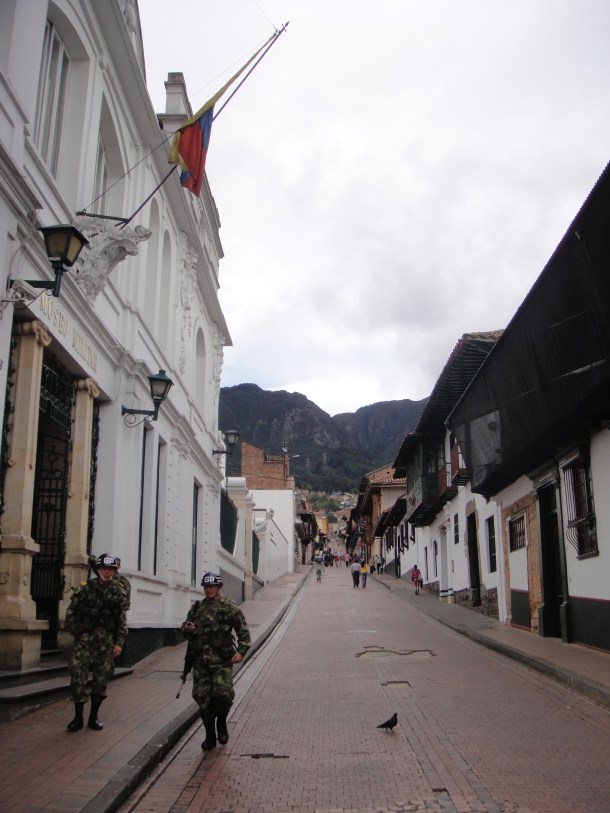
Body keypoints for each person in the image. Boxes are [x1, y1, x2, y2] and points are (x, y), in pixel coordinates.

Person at [181, 571, 251, 751]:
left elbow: (243, 631)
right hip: (200, 662)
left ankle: (221, 721)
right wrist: (187, 628)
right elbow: (185, 627)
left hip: (221, 661)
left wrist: (242, 651)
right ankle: (210, 734)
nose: (209, 589)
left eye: (212, 586)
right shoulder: (197, 608)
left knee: (223, 694)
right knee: (202, 698)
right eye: (206, 587)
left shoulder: (230, 608)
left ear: (219, 587)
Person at [64, 554, 129, 732]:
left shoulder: (119, 592)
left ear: (115, 571)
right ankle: (78, 717)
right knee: (78, 676)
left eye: (110, 569)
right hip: (85, 641)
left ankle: (94, 716)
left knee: (101, 679)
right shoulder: (85, 589)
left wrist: (119, 642)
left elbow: (121, 620)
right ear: (98, 569)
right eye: (104, 568)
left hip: (106, 642)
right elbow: (71, 614)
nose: (107, 572)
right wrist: (78, 632)